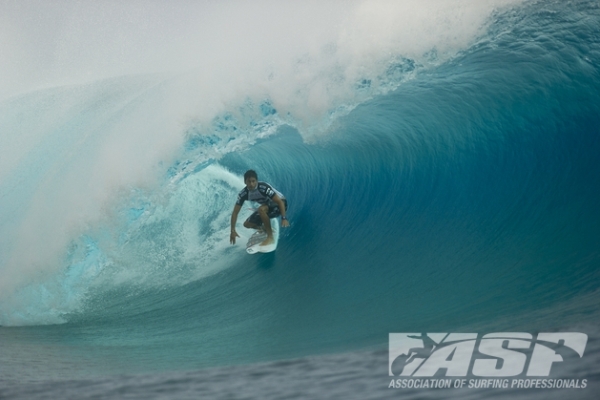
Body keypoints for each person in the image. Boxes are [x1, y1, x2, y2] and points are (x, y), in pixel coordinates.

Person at [230, 170, 289, 247]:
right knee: (247, 224)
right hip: (267, 207)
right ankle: (265, 229)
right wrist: (233, 230)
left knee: (261, 209)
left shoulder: (263, 188)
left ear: (257, 181)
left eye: (253, 181)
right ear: (245, 182)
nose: (251, 184)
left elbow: (280, 201)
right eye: (249, 181)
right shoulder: (243, 194)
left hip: (281, 205)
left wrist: (284, 218)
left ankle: (270, 237)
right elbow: (235, 213)